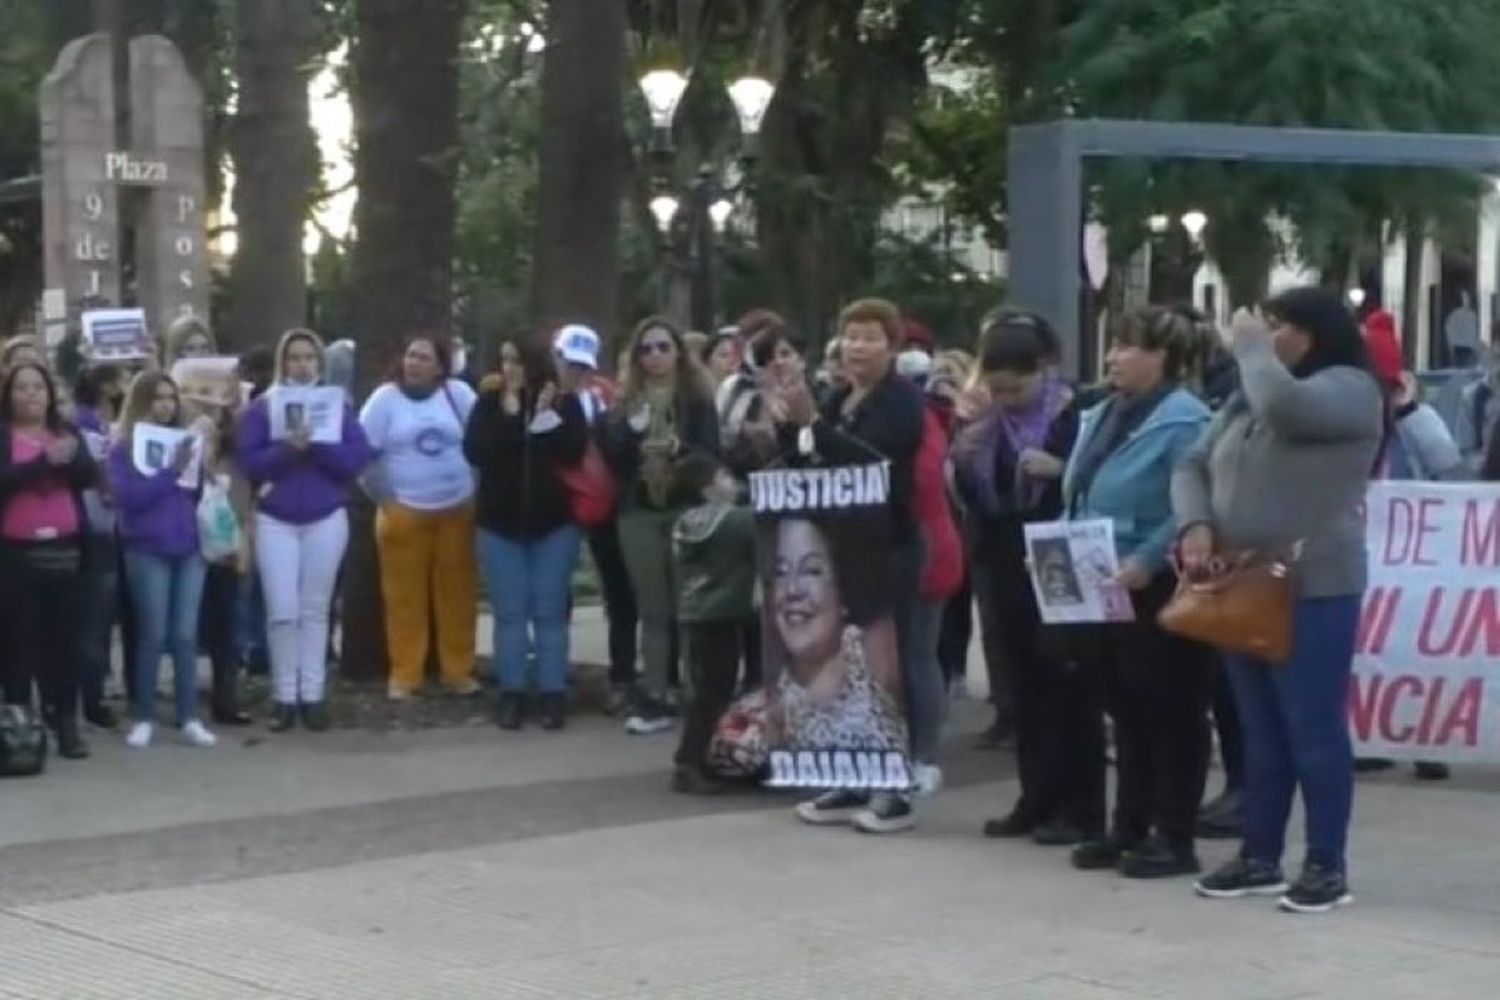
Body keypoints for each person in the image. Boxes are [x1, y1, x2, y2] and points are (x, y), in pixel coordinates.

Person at [1175, 289, 1384, 914]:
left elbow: (1286, 408)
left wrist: (1248, 349)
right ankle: (1259, 854)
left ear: (1312, 333)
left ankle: (1326, 864)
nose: (1264, 338)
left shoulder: (1348, 389)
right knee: (1259, 729)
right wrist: (1195, 524)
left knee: (1312, 730)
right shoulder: (1251, 392)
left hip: (1314, 582)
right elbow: (1192, 460)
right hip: (1242, 578)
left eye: (1277, 327)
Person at [1062, 305, 1216, 879]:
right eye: (1114, 345)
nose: (1112, 358)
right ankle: (1129, 824)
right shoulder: (1103, 412)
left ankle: (1173, 833)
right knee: (1124, 705)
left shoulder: (1187, 421)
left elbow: (1191, 505)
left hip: (1159, 581)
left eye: (1126, 347)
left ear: (1161, 357)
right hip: (1101, 573)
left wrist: (1148, 559)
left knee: (1172, 707)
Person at [771, 297, 930, 833]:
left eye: (870, 337)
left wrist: (813, 421)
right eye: (851, 336)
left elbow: (869, 461)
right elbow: (810, 457)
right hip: (841, 551)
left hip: (889, 549)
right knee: (847, 664)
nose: (858, 347)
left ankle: (897, 788)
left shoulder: (902, 402)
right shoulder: (838, 396)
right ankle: (854, 772)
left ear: (892, 345)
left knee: (888, 664)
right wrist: (792, 426)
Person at [949, 317, 1090, 844]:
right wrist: (966, 451)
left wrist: (1062, 468)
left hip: (1057, 552)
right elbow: (967, 485)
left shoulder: (1071, 413)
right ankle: (1035, 798)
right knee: (1022, 685)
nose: (1006, 398)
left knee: (1067, 685)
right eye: (997, 387)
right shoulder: (983, 421)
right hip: (1001, 553)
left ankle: (1078, 806)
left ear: (1043, 372)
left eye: (1017, 387)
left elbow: (1093, 473)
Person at [237, 329, 372, 732]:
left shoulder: (337, 406)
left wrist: (317, 446)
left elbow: (356, 458)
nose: (302, 365)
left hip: (325, 516)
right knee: (282, 610)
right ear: (283, 363)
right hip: (276, 518)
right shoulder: (263, 407)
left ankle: (312, 695)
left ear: (319, 363)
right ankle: (283, 695)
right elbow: (251, 462)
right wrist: (286, 451)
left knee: (315, 610)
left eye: (309, 358)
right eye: (294, 358)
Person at [600, 317, 720, 735]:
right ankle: (655, 695)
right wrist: (627, 432)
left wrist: (679, 450)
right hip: (639, 512)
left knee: (689, 608)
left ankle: (696, 693)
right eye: (646, 349)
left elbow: (710, 456)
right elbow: (611, 459)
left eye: (662, 348)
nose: (654, 356)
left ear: (678, 353)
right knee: (653, 609)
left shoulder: (697, 399)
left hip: (685, 508)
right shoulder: (625, 400)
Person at [466, 336, 588, 731]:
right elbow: (476, 452)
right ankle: (512, 692)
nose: (509, 369)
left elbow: (573, 451)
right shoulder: (488, 402)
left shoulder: (563, 400)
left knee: (550, 611)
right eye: (504, 361)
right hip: (500, 524)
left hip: (553, 523)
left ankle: (553, 692)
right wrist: (508, 415)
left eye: (517, 360)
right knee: (510, 613)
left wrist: (545, 417)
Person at [359, 333, 480, 700]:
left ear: (441, 367)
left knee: (457, 594)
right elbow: (363, 455)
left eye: (424, 358)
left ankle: (458, 672)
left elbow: (483, 442)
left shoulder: (458, 395)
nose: (413, 363)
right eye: (411, 355)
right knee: (403, 598)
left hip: (457, 509)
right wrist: (388, 501)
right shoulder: (384, 400)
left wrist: (476, 488)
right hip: (404, 514)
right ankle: (405, 674)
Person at [110, 371, 217, 749]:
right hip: (146, 548)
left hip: (189, 548)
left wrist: (204, 466)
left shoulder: (188, 442)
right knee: (152, 633)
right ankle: (143, 716)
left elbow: (197, 494)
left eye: (171, 397)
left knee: (185, 635)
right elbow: (129, 498)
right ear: (141, 402)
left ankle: (189, 716)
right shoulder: (123, 447)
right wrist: (171, 471)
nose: (166, 404)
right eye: (157, 397)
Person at [0, 362, 98, 759]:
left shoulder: (67, 432)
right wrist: (44, 463)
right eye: (21, 388)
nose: (31, 395)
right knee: (20, 645)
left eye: (38, 387)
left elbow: (89, 476)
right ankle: (21, 728)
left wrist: (71, 459)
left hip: (66, 552)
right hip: (17, 556)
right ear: (9, 396)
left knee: (66, 644)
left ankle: (66, 722)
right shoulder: (4, 436)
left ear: (50, 394)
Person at [162, 316, 252, 726]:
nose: (195, 357)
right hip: (179, 518)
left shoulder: (235, 398)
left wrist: (231, 416)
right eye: (186, 350)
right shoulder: (163, 399)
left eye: (202, 348)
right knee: (181, 620)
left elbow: (246, 460)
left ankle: (227, 697)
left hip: (222, 516)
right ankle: (179, 699)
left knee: (227, 613)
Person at [764, 515, 906, 755]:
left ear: (843, 587)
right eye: (780, 572)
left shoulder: (874, 658)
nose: (792, 590)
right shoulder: (769, 698)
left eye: (811, 571)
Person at [553, 324, 637, 716]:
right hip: (557, 506)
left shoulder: (606, 398)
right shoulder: (543, 397)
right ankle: (556, 674)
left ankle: (622, 677)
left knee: (619, 593)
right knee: (557, 594)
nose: (575, 373)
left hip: (605, 506)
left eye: (582, 366)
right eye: (568, 363)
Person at [670, 453, 757, 794]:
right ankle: (689, 761)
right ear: (707, 489)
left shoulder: (685, 521)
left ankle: (697, 757)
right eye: (724, 477)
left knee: (706, 688)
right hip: (723, 612)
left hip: (695, 611)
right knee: (715, 690)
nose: (732, 482)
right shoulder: (734, 521)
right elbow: (765, 521)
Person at [71, 364, 127, 730]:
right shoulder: (84, 428)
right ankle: (88, 698)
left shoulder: (112, 427)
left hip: (109, 529)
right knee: (92, 621)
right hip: (91, 530)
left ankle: (92, 694)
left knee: (99, 621)